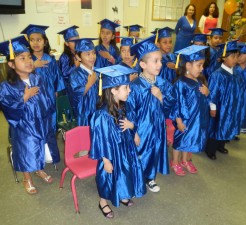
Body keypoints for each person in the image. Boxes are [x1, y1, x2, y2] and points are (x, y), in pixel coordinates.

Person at [0, 36, 60, 195]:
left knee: (40, 147)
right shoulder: (6, 86)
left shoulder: (37, 78)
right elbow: (7, 107)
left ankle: (39, 169)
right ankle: (27, 177)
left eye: (29, 57)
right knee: (26, 151)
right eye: (22, 58)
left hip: (41, 122)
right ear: (11, 64)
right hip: (23, 126)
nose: (28, 61)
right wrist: (24, 98)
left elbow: (47, 100)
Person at [90, 65, 146, 219]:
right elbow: (99, 139)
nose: (129, 90)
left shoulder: (122, 107)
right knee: (107, 177)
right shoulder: (101, 115)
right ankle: (102, 202)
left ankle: (121, 194)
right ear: (113, 90)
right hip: (109, 154)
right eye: (126, 87)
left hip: (125, 149)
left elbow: (130, 123)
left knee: (124, 172)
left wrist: (132, 128)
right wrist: (105, 160)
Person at [127, 35, 175, 192]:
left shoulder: (163, 83)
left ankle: (150, 178)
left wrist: (161, 97)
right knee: (140, 154)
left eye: (160, 60)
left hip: (158, 128)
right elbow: (129, 111)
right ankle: (136, 179)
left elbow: (171, 105)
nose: (160, 64)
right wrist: (133, 132)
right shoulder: (134, 86)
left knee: (154, 152)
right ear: (142, 64)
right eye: (155, 61)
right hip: (142, 129)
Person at [170, 45, 210, 175]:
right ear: (188, 66)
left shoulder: (199, 81)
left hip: (196, 119)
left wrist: (207, 92)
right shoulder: (181, 83)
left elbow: (203, 100)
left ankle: (185, 160)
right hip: (185, 119)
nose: (202, 68)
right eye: (199, 65)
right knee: (179, 141)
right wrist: (179, 121)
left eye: (202, 65)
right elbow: (176, 104)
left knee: (190, 140)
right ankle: (175, 161)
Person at [21, 24, 65, 133]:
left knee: (51, 120)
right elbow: (20, 76)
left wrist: (56, 91)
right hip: (34, 95)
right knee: (36, 120)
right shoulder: (27, 60)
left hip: (50, 95)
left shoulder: (50, 59)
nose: (35, 43)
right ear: (29, 42)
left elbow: (57, 77)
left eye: (38, 40)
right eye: (32, 40)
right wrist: (33, 66)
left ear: (44, 42)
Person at [205, 40, 243, 160]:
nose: (235, 59)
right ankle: (210, 149)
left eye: (237, 56)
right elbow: (212, 93)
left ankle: (221, 145)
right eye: (232, 56)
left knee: (227, 125)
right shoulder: (218, 74)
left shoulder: (236, 74)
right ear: (223, 58)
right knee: (216, 127)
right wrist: (213, 107)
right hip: (220, 106)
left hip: (231, 107)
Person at [68, 38, 98, 126]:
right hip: (83, 114)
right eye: (87, 54)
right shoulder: (75, 75)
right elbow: (74, 97)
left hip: (97, 113)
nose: (92, 57)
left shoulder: (98, 72)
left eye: (93, 53)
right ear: (78, 57)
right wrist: (89, 84)